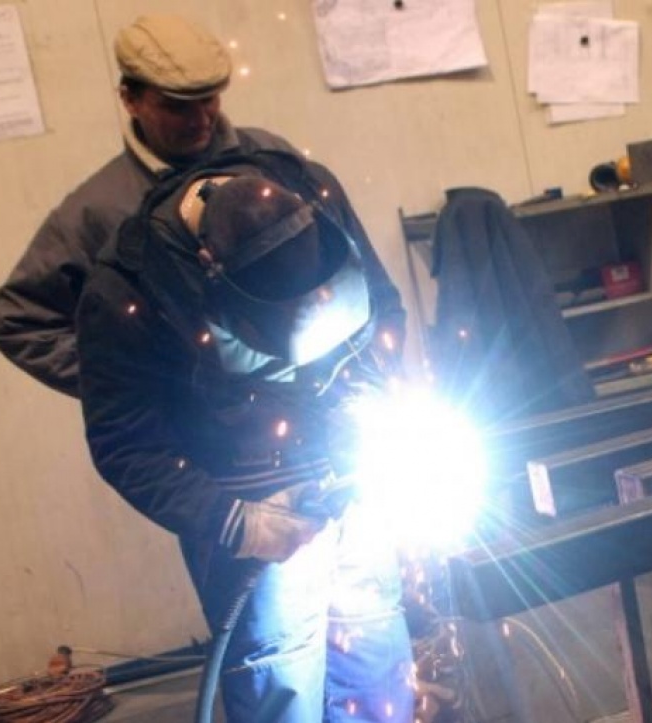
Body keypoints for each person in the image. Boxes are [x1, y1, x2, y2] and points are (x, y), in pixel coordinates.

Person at [75, 154, 412, 721]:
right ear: (214, 274)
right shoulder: (126, 292)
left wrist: (377, 398)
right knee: (279, 681)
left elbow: (383, 313)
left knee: (375, 661)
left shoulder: (315, 192)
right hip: (254, 511)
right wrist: (234, 522)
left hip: (354, 486)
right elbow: (125, 444)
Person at [0, 14, 301, 397]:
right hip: (196, 426)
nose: (201, 119)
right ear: (129, 100)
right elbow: (16, 322)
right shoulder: (98, 211)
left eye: (208, 99)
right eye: (177, 107)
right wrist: (134, 381)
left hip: (308, 397)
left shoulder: (271, 159)